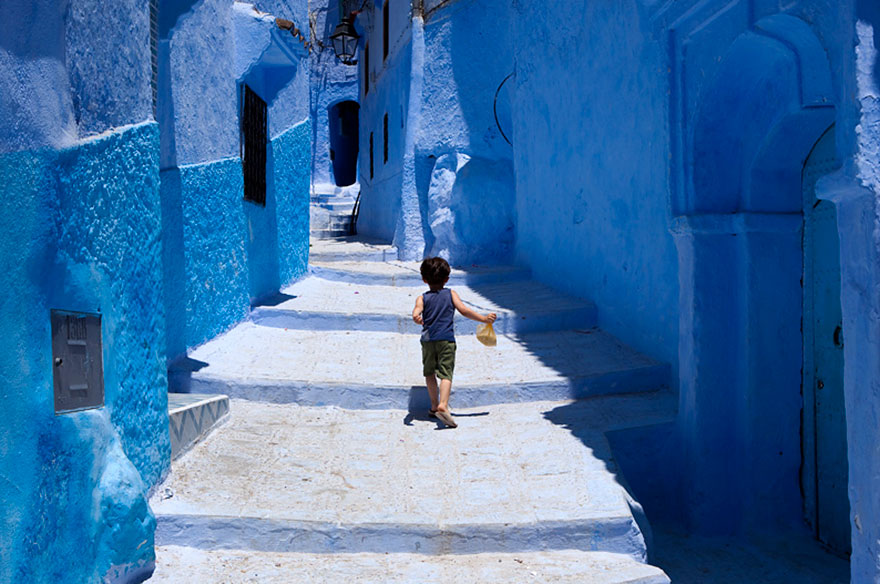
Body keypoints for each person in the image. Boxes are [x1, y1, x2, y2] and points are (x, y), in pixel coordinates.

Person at [412, 257, 496, 428]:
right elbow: (464, 310)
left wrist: (416, 316)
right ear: (446, 279)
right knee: (446, 374)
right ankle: (443, 404)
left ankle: (434, 405)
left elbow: (417, 310)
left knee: (429, 373)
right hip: (446, 340)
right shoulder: (451, 294)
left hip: (427, 341)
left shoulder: (422, 298)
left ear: (424, 279)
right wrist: (484, 318)